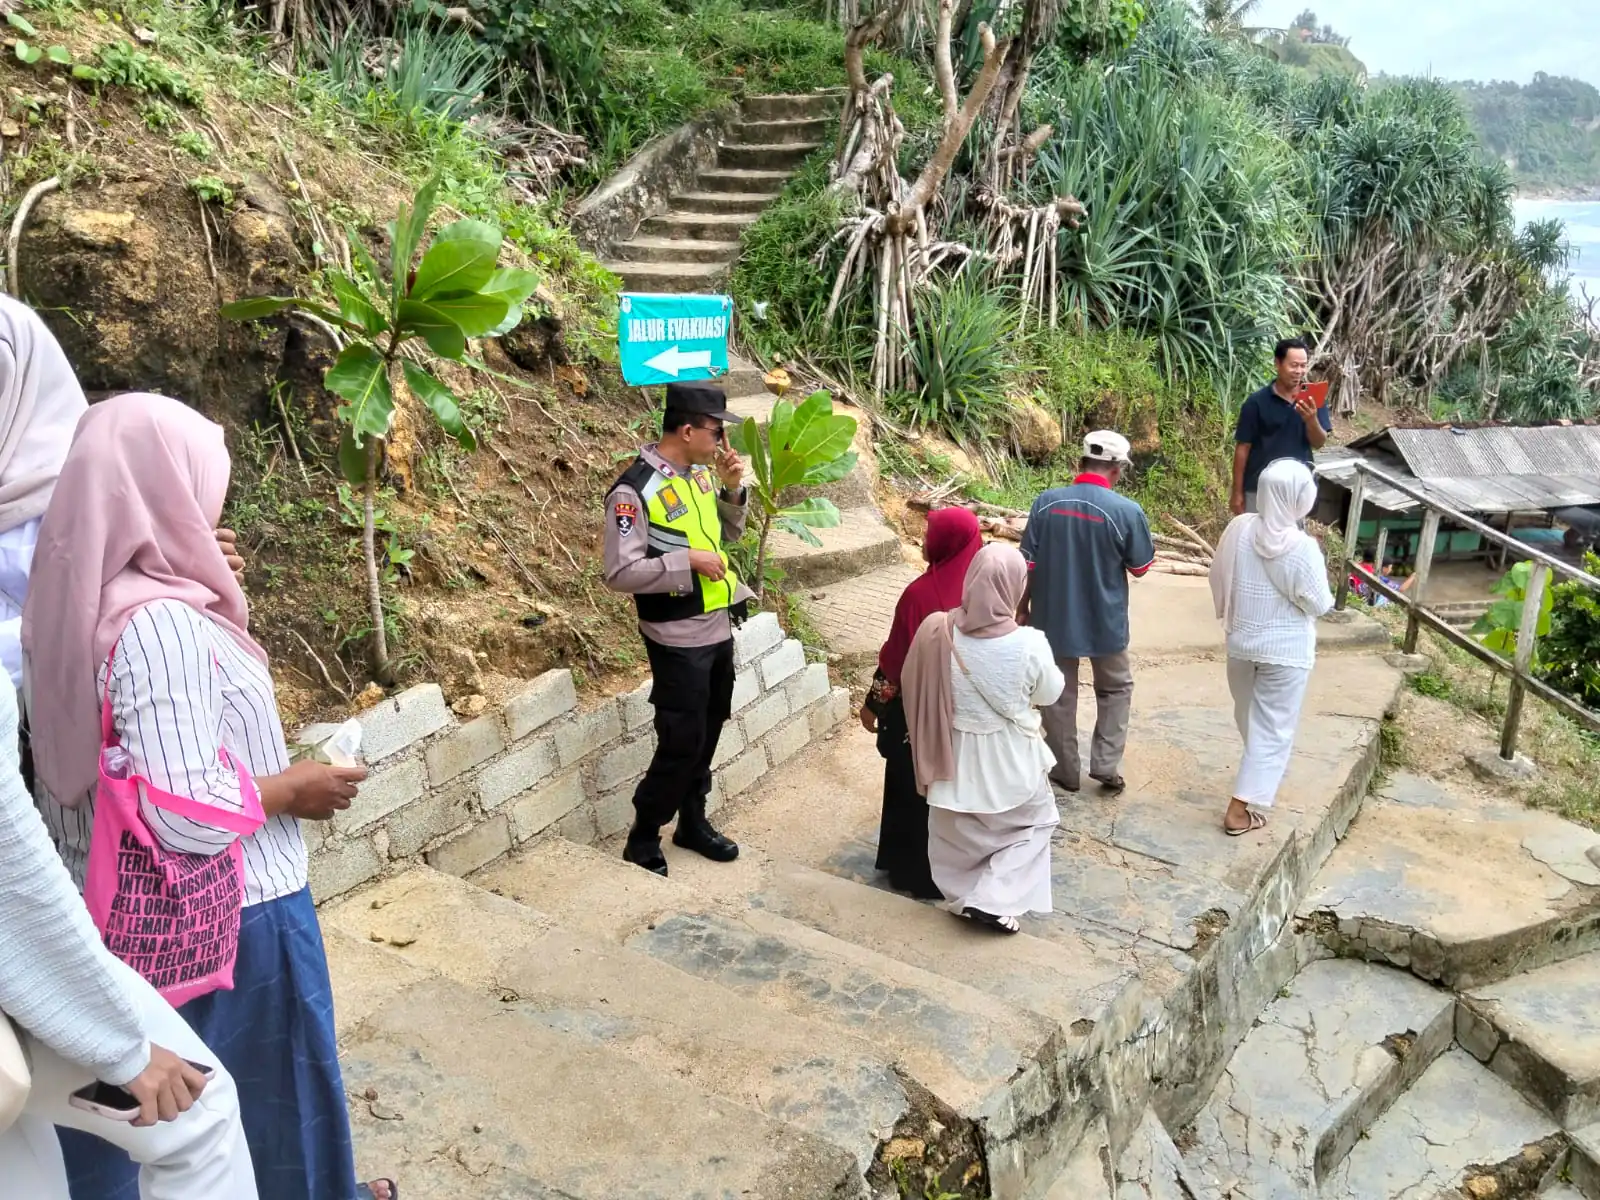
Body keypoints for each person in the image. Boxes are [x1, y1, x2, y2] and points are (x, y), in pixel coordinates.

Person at [21, 394, 394, 1200]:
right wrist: (294, 787)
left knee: (133, 1126)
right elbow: (182, 813)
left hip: (105, 913)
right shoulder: (163, 625)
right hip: (233, 918)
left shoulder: (62, 609)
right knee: (265, 1114)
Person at [0, 673, 260, 1200]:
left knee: (14, 1130)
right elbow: (12, 876)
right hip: (26, 955)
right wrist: (122, 1046)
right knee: (198, 1119)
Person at [604, 381, 752, 877]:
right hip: (676, 637)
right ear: (687, 430)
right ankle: (644, 835)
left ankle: (693, 821)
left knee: (710, 729)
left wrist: (733, 488)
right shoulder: (634, 490)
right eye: (716, 433)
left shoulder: (702, 478)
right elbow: (619, 573)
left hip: (716, 628)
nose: (722, 444)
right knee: (681, 741)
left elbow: (729, 534)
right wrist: (684, 561)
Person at [901, 544, 1064, 934]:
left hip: (950, 752)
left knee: (954, 836)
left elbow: (909, 678)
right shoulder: (1029, 643)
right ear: (1015, 586)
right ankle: (990, 899)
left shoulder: (937, 629)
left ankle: (965, 899)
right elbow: (1050, 693)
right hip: (1010, 755)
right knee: (1035, 824)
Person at [1021, 431, 1154, 797]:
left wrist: (1021, 609)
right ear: (1117, 469)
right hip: (1105, 621)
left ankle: (1065, 770)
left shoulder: (1045, 504)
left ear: (1080, 463)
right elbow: (1141, 567)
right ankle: (1106, 765)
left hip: (1051, 618)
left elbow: (1026, 565)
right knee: (1115, 689)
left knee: (1057, 693)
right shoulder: (1126, 511)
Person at [860, 507, 981, 900]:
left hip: (917, 715)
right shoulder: (987, 591)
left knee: (910, 790)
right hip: (968, 715)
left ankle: (909, 869)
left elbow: (895, 661)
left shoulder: (920, 594)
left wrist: (873, 706)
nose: (925, 541)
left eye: (931, 535)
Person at [1208, 458, 1334, 837]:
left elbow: (1216, 574)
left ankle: (1258, 774)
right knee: (1273, 730)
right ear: (1298, 498)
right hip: (1286, 652)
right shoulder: (1302, 548)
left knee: (1250, 719)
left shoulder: (1239, 528)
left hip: (1242, 643)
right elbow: (1320, 604)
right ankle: (1239, 809)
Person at [1231, 337, 1331, 517]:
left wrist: (1311, 419)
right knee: (1258, 541)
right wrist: (1237, 492)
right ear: (1277, 363)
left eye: (1303, 365)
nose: (1299, 371)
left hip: (1297, 491)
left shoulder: (1314, 400)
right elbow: (1242, 448)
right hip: (1259, 490)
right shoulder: (1256, 403)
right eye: (1293, 365)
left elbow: (1319, 442)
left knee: (1290, 542)